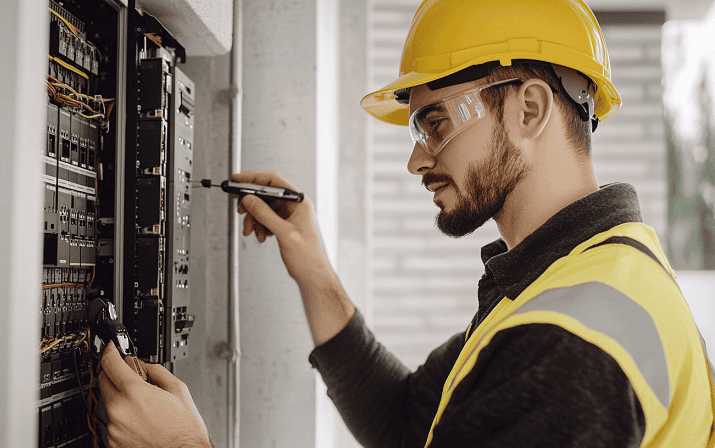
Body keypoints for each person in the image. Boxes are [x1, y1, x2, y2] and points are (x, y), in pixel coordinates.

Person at [99, 0, 715, 446]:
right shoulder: (578, 278)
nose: (418, 158)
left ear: (529, 108)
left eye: (437, 122)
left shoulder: (569, 343)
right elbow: (405, 424)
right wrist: (312, 264)